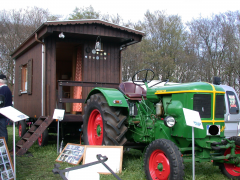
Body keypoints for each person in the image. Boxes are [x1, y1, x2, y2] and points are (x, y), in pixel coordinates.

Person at [0, 74, 12, 143]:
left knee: (2, 132)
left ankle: (3, 148)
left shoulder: (2, 90)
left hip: (1, 114)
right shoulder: (7, 89)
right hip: (4, 113)